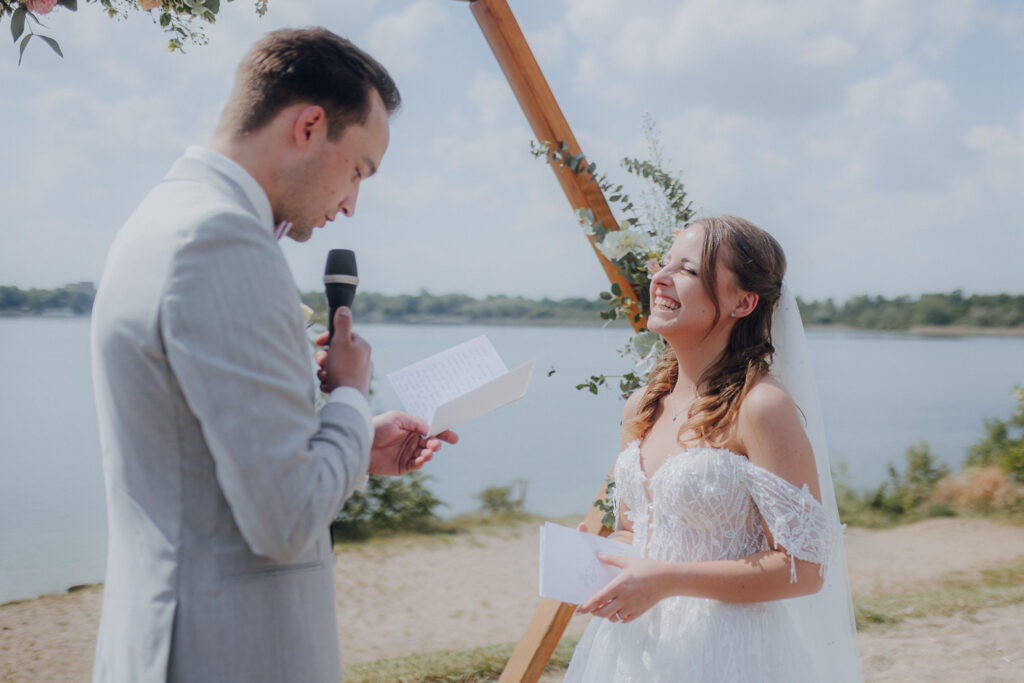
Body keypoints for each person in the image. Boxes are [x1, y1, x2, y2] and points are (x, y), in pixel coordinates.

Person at [90, 28, 455, 683]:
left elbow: (196, 460)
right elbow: (284, 519)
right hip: (226, 648)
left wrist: (352, 443)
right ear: (310, 126)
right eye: (359, 169)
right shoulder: (224, 241)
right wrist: (347, 392)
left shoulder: (165, 214)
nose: (351, 203)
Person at [564, 215, 861, 681]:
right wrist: (596, 556)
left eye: (686, 270)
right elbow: (632, 531)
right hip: (635, 650)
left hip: (728, 653)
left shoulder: (761, 407)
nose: (659, 278)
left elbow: (804, 569)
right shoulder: (641, 406)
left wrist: (667, 579)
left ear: (743, 302)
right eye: (663, 264)